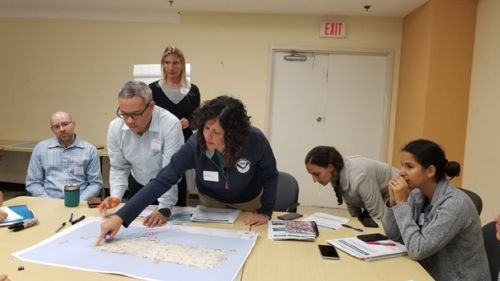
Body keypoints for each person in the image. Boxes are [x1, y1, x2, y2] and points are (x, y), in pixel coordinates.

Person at [97, 96, 279, 244]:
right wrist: (121, 216)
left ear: (232, 134)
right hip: (211, 203)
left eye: (216, 132)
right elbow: (163, 180)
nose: (208, 136)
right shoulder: (195, 144)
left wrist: (266, 211)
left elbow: (270, 175)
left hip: (248, 203)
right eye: (206, 128)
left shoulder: (255, 140)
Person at [382, 139, 489, 280]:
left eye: (409, 166)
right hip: (426, 272)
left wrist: (402, 203)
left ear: (430, 171)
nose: (401, 172)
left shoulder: (455, 204)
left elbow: (417, 250)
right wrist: (393, 202)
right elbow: (394, 235)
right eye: (402, 165)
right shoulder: (417, 194)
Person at [102, 80, 184, 227]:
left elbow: (170, 172)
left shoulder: (170, 125)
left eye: (136, 114)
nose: (129, 121)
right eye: (124, 114)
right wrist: (115, 196)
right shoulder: (115, 127)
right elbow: (119, 167)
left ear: (151, 107)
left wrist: (164, 208)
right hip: (139, 185)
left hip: (169, 187)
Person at [149, 46, 201, 206]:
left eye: (175, 63)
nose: (171, 67)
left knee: (179, 178)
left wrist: (188, 122)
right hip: (159, 141)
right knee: (157, 175)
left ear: (182, 65)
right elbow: (147, 117)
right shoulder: (153, 89)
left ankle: (177, 210)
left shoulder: (192, 91)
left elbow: (198, 119)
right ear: (162, 65)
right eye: (167, 62)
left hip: (183, 141)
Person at [26, 111, 103, 200]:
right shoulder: (41, 149)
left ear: (73, 124)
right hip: (48, 202)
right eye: (56, 127)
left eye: (65, 124)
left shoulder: (89, 150)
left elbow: (95, 184)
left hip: (80, 202)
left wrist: (79, 201)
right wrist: (47, 201)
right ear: (52, 130)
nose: (62, 129)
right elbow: (33, 182)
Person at [305, 146, 398, 219]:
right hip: (383, 201)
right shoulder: (335, 172)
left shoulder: (360, 175)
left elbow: (378, 215)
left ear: (330, 167)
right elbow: (352, 204)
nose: (314, 180)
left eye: (316, 174)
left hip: (402, 193)